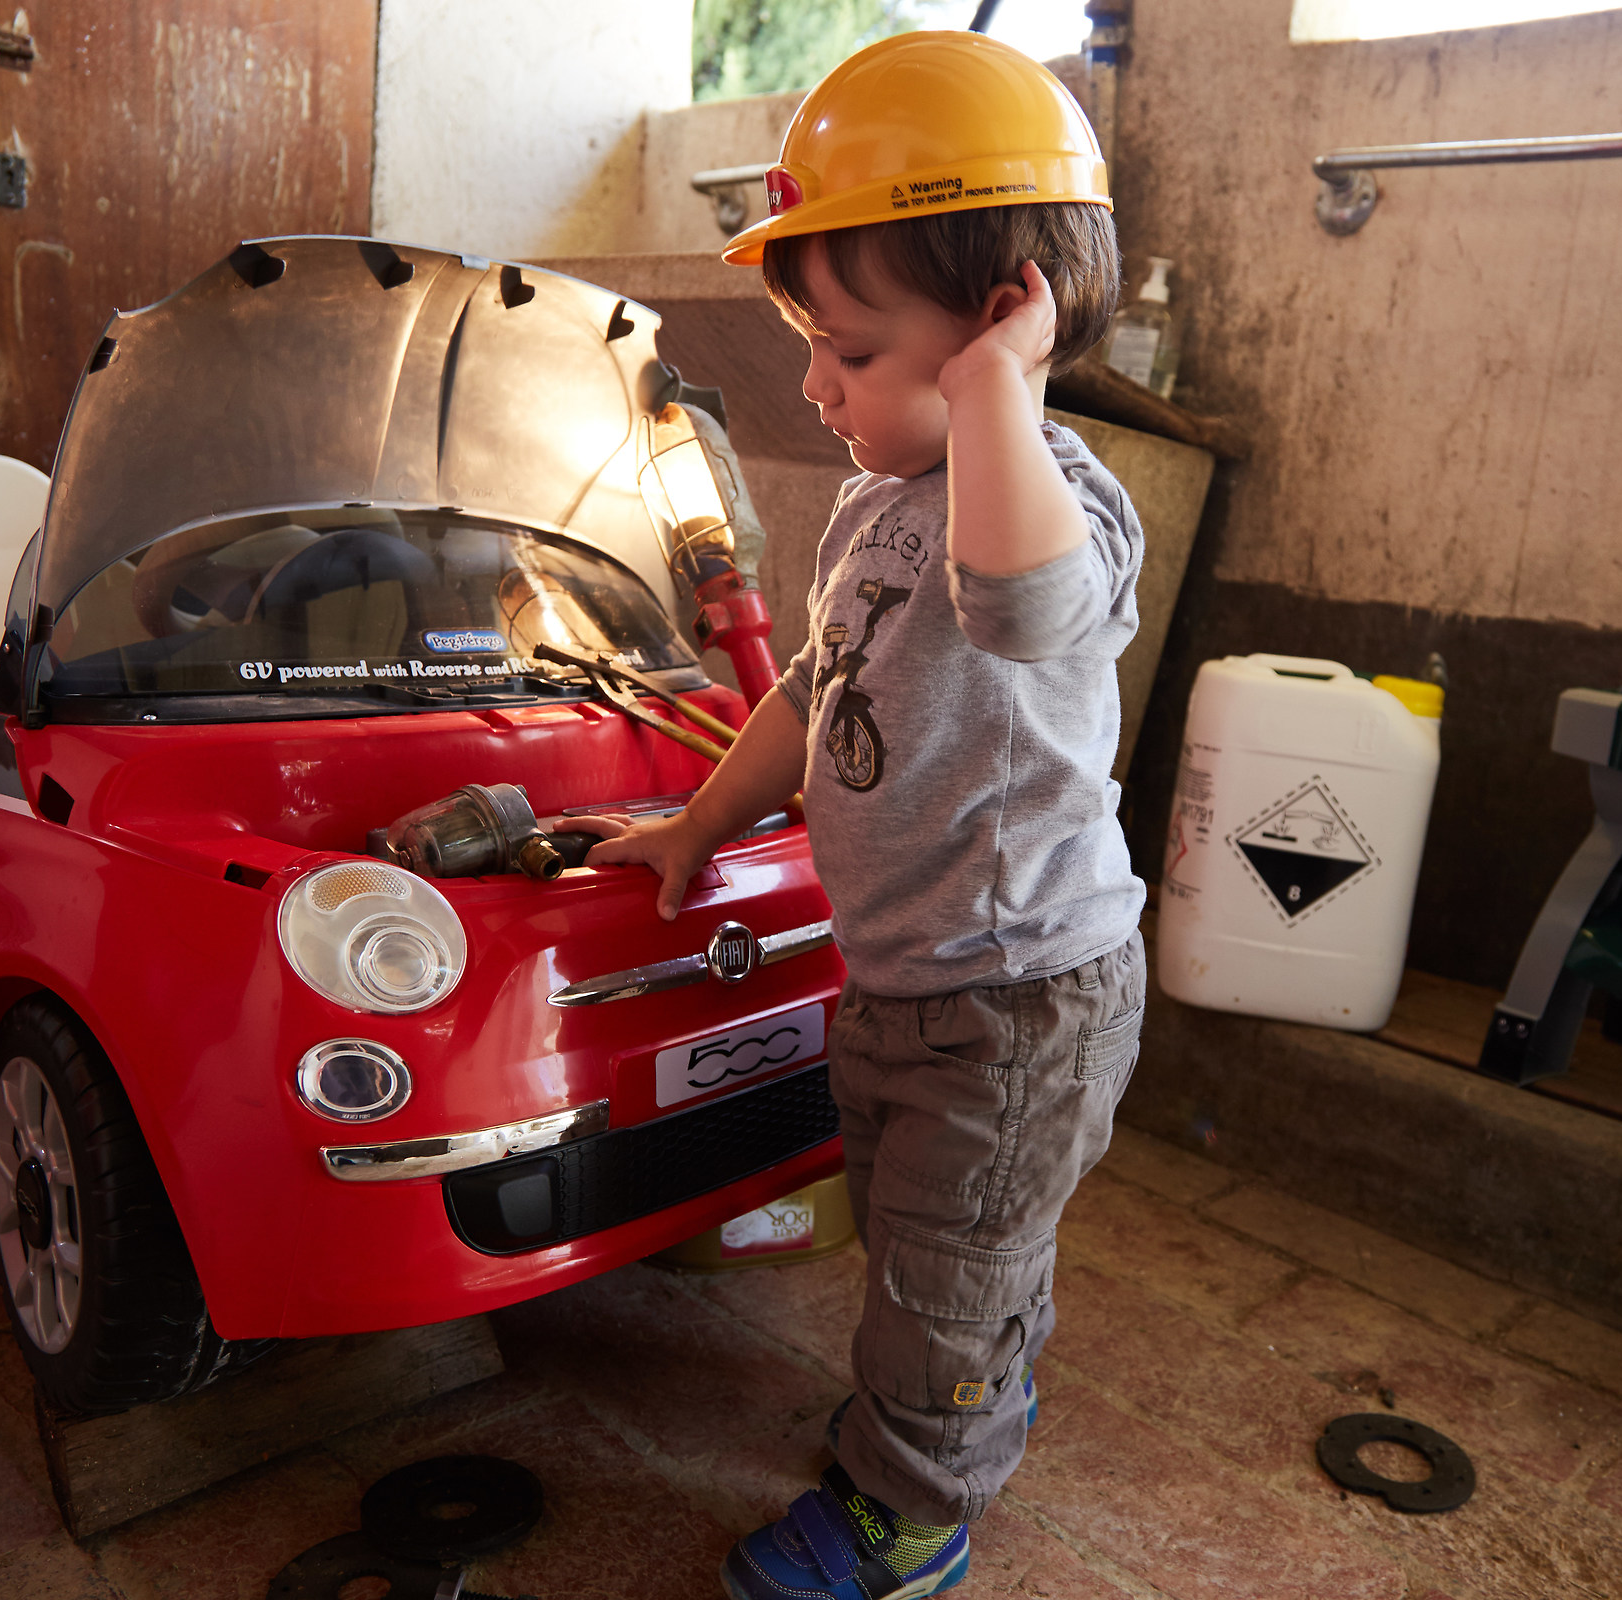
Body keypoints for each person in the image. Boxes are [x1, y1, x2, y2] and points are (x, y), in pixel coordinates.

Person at [584, 30, 1147, 1600]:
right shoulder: (870, 509)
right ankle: (959, 1397)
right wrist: (697, 825)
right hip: (904, 977)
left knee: (938, 1283)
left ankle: (913, 1513)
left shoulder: (1060, 500)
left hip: (1024, 998)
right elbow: (807, 694)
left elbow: (1028, 609)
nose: (818, 388)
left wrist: (994, 401)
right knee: (933, 1253)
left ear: (1001, 323)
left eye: (855, 351)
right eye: (813, 345)